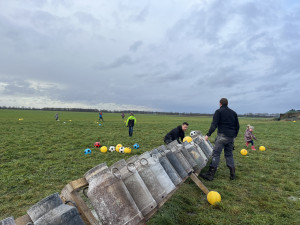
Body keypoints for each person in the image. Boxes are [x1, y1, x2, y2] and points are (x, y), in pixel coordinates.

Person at [200, 98, 240, 181]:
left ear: (220, 103)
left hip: (222, 136)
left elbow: (214, 124)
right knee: (229, 155)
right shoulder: (233, 113)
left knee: (216, 154)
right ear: (227, 103)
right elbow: (237, 126)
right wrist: (234, 136)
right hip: (231, 137)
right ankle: (232, 174)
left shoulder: (218, 111)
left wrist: (208, 134)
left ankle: (210, 175)